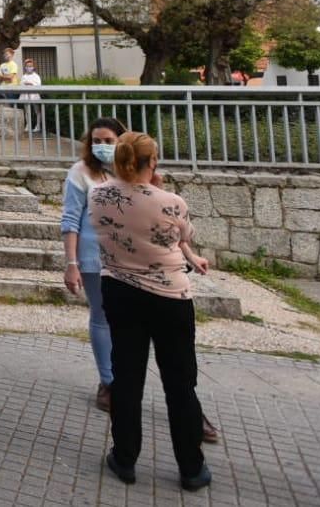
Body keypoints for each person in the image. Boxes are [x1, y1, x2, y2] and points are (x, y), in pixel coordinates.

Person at [96, 132, 213, 492]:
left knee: (127, 377)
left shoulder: (97, 194)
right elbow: (182, 234)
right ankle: (191, 467)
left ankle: (126, 457)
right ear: (153, 162)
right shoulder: (171, 202)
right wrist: (157, 190)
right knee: (180, 383)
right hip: (169, 296)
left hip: (118, 288)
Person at [62, 117, 125, 412]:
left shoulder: (129, 171)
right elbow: (71, 219)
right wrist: (71, 262)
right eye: (96, 141)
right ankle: (108, 381)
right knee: (101, 317)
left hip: (127, 257)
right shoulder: (81, 171)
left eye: (108, 141)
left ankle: (126, 378)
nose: (101, 146)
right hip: (92, 256)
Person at [20, 57, 43, 132]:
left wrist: (31, 84)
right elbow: (21, 85)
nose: (29, 68)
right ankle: (28, 125)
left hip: (34, 95)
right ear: (25, 67)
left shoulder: (36, 76)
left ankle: (38, 125)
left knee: (37, 111)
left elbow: (39, 85)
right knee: (27, 111)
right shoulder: (24, 76)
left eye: (30, 66)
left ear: (33, 67)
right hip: (25, 95)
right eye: (27, 66)